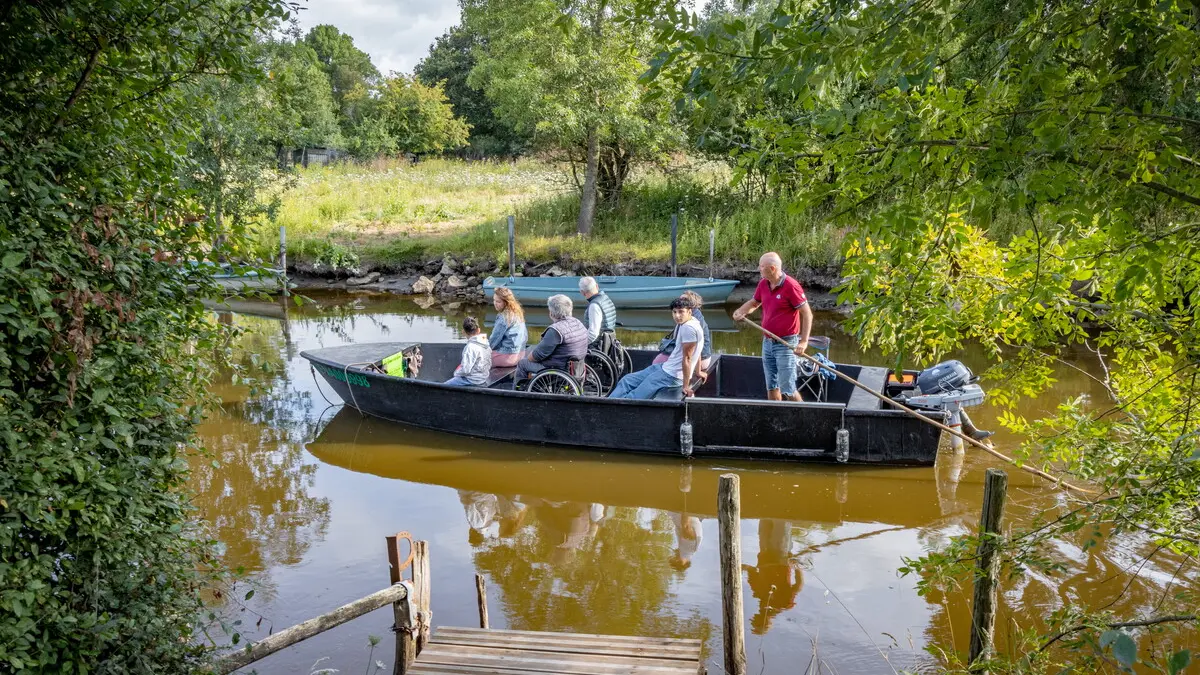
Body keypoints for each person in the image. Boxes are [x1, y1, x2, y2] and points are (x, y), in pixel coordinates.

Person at [731, 252, 813, 401]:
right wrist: (740, 311)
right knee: (772, 385)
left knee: (788, 389)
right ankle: (774, 418)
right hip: (767, 342)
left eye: (762, 267)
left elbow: (807, 314)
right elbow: (754, 303)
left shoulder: (791, 286)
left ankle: (803, 418)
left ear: (773, 268)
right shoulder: (763, 283)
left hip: (786, 344)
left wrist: (804, 342)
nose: (759, 269)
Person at [609, 297, 704, 399]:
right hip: (666, 367)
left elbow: (687, 358)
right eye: (674, 312)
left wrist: (685, 386)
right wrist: (698, 371)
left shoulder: (688, 328)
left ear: (689, 311)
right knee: (627, 380)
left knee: (635, 396)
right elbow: (698, 350)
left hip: (671, 376)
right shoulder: (693, 321)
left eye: (681, 312)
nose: (677, 316)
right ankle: (607, 405)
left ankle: (610, 410)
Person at [513, 294, 589, 388]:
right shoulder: (578, 322)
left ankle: (517, 392)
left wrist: (529, 359)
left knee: (523, 364)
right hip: (577, 369)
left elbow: (538, 355)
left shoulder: (556, 331)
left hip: (559, 371)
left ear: (551, 313)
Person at [654, 290, 713, 375]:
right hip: (699, 358)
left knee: (657, 364)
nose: (679, 301)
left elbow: (695, 349)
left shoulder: (691, 322)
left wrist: (698, 371)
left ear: (691, 303)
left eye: (683, 299)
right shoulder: (694, 314)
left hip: (699, 361)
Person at [444, 316, 491, 386]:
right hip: (483, 378)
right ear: (479, 330)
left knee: (444, 385)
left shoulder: (470, 347)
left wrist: (456, 373)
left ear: (463, 332)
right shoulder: (486, 343)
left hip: (472, 380)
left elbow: (465, 370)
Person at [489, 286, 527, 368]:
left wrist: (485, 349)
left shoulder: (504, 316)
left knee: (476, 356)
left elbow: (494, 340)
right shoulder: (517, 312)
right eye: (494, 300)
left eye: (498, 301)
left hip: (508, 357)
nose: (495, 303)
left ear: (506, 302)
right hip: (521, 354)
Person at [578, 276, 617, 347]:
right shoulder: (605, 298)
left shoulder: (594, 306)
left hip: (597, 347)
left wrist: (579, 345)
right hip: (609, 343)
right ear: (597, 286)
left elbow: (593, 334)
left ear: (582, 292)